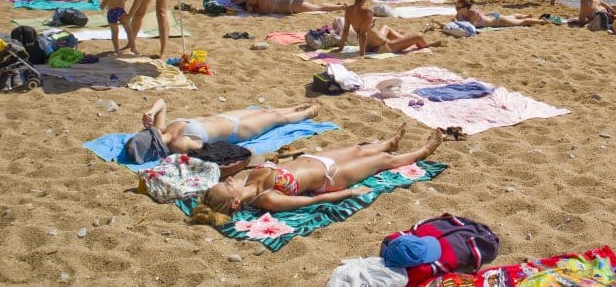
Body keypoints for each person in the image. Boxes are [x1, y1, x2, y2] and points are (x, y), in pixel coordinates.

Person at [189, 127, 442, 224]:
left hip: (314, 160)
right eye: (227, 185)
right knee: (383, 163)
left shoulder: (247, 180)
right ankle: (424, 150)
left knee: (357, 149)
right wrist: (351, 192)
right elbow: (311, 201)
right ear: (235, 203)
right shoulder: (267, 199)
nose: (229, 180)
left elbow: (281, 165)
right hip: (331, 177)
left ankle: (388, 142)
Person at [126, 98, 320, 161]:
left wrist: (151, 111)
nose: (152, 130)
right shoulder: (179, 144)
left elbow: (162, 103)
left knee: (263, 110)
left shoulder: (163, 129)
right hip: (238, 130)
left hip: (227, 117)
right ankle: (309, 112)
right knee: (277, 119)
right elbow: (207, 151)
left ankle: (296, 107)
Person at [338, 0, 441, 56]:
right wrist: (362, 55)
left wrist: (340, 49)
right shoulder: (368, 12)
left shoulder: (348, 10)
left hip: (370, 45)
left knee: (386, 27)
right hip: (383, 46)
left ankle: (403, 40)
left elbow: (346, 31)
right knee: (419, 37)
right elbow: (363, 34)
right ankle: (425, 45)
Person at [451, 0, 548, 28]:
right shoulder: (459, 13)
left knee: (521, 23)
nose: (456, 9)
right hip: (491, 16)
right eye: (456, 7)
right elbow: (456, 20)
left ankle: (540, 21)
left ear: (465, 8)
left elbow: (471, 27)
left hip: (497, 20)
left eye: (458, 7)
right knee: (512, 16)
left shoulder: (473, 14)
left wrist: (456, 22)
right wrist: (455, 20)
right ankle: (525, 15)